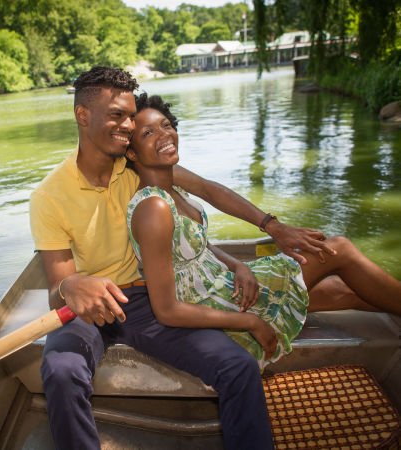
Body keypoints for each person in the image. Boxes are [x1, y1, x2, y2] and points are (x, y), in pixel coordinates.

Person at [29, 66, 337, 450]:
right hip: (90, 310)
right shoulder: (49, 196)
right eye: (117, 115)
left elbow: (208, 191)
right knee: (60, 370)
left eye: (130, 115)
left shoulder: (138, 167)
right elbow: (58, 290)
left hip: (144, 298)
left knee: (236, 365)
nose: (127, 124)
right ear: (82, 116)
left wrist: (269, 229)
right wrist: (73, 283)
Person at [125, 93, 401, 370]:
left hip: (225, 282)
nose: (164, 135)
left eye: (166, 125)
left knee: (343, 290)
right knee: (337, 249)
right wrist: (251, 322)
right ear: (132, 152)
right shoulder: (154, 206)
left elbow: (195, 242)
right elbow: (166, 309)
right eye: (148, 132)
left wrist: (238, 266)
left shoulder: (171, 183)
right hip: (212, 301)